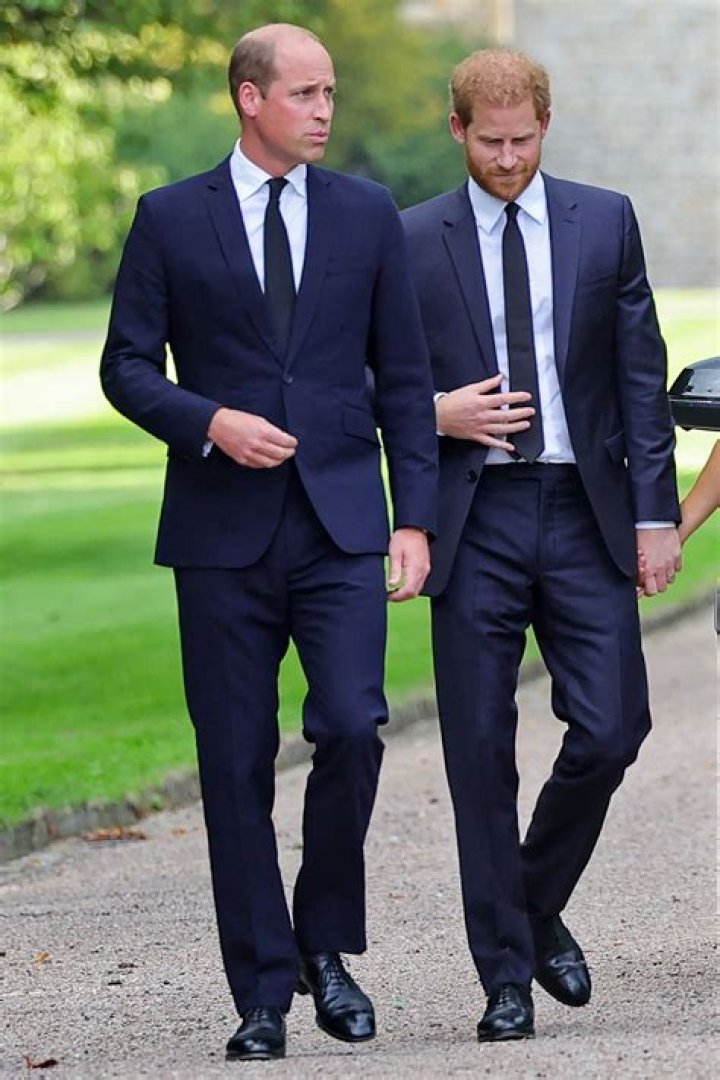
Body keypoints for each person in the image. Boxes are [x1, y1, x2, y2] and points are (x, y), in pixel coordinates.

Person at [101, 23, 437, 1063]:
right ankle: (261, 993)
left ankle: (325, 947)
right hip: (219, 536)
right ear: (249, 99)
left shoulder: (366, 214)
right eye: (305, 93)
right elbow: (126, 367)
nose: (325, 109)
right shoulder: (167, 219)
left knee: (353, 725)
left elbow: (411, 380)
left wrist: (415, 517)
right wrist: (208, 421)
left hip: (341, 524)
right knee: (233, 764)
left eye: (330, 91)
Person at [401, 48, 681, 1042]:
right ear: (458, 130)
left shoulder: (603, 221)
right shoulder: (411, 239)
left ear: (545, 127)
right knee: (479, 751)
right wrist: (436, 414)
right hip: (472, 519)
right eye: (490, 142)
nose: (509, 159)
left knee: (614, 726)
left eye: (524, 141)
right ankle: (505, 979)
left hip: (581, 507)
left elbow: (640, 381)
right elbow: (362, 385)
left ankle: (528, 895)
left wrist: (658, 514)